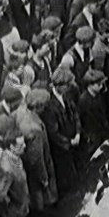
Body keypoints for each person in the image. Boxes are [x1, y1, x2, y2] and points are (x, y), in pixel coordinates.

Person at [14, 89, 58, 213]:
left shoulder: (22, 112)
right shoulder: (35, 130)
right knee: (44, 200)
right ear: (38, 107)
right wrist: (44, 179)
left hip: (29, 168)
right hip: (39, 174)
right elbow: (37, 159)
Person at [42, 68, 81, 198]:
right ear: (59, 86)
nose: (69, 88)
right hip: (62, 151)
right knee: (68, 180)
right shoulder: (49, 106)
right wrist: (69, 142)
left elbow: (75, 113)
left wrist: (78, 133)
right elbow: (53, 133)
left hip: (74, 141)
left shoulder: (67, 94)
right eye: (67, 86)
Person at [91, 19, 109, 125]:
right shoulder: (98, 49)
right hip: (107, 76)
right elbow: (99, 69)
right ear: (100, 33)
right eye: (107, 34)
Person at [78, 69, 109, 158]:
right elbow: (81, 121)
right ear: (90, 85)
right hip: (93, 139)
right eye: (99, 84)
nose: (101, 87)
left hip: (102, 133)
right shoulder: (83, 101)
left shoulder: (98, 95)